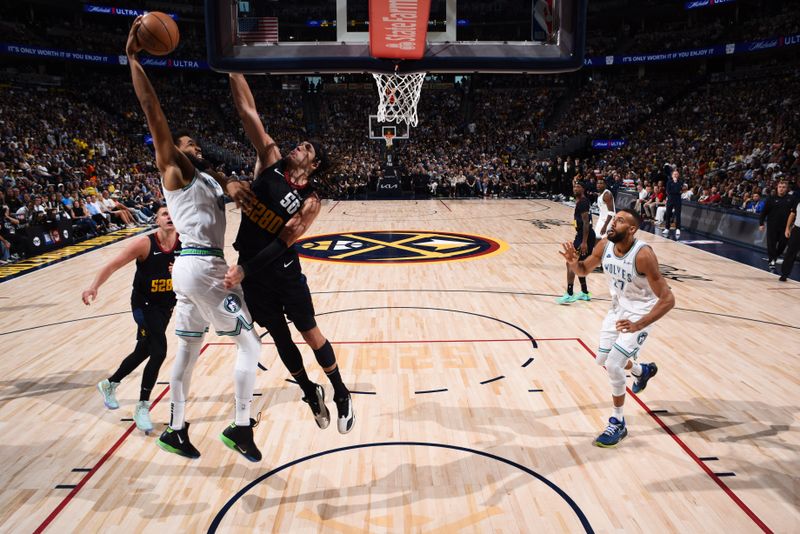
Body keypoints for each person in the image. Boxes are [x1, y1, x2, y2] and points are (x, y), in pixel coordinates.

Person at [125, 18, 263, 461]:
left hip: (190, 266)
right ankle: (241, 426)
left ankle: (176, 428)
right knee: (250, 343)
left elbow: (237, 190)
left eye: (196, 144)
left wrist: (236, 186)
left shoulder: (204, 175)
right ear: (173, 150)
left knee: (187, 346)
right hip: (204, 266)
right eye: (186, 142)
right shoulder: (174, 168)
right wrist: (132, 59)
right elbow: (152, 111)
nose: (193, 145)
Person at [224, 73, 355, 434]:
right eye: (301, 144)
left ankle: (341, 393)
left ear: (313, 166)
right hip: (252, 273)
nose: (299, 146)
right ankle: (310, 392)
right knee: (281, 340)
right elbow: (248, 110)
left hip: (280, 271)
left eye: (308, 149)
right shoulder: (270, 159)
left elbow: (282, 242)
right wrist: (232, 70)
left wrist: (244, 271)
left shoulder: (311, 201)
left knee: (310, 333)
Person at [559, 208, 675, 447]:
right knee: (602, 360)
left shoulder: (643, 255)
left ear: (631, 229)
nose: (612, 224)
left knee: (613, 364)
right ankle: (641, 371)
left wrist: (638, 325)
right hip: (617, 311)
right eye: (613, 219)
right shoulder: (604, 246)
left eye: (619, 221)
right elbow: (583, 270)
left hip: (641, 314)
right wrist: (573, 263)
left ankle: (618, 422)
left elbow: (668, 299)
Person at [82, 205, 179, 433]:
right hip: (144, 305)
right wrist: (93, 287)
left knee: (145, 349)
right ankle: (142, 406)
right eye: (165, 213)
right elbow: (113, 265)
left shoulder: (185, 244)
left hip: (166, 306)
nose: (170, 217)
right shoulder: (145, 244)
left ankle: (110, 383)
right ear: (156, 220)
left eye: (173, 213)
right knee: (159, 351)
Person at [557, 180, 594, 304]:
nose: (575, 188)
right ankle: (584, 292)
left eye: (578, 186)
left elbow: (586, 223)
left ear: (583, 189)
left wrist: (584, 242)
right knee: (577, 264)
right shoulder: (581, 201)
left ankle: (570, 294)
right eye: (574, 186)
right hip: (581, 235)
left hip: (584, 236)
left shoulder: (583, 202)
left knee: (571, 263)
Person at [759, 180, 795, 271]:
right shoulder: (771, 198)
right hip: (772, 226)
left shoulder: (791, 199)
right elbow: (764, 212)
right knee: (771, 245)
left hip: (785, 227)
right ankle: (772, 261)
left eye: (783, 187)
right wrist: (761, 223)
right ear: (777, 188)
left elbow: (794, 212)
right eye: (780, 187)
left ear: (787, 189)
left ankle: (774, 257)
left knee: (783, 245)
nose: (781, 189)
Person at [779, 194, 800, 282]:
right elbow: (792, 214)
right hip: (797, 229)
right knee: (790, 252)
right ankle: (784, 274)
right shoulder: (798, 201)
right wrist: (787, 228)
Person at [663, 169, 683, 238]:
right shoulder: (669, 182)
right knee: (668, 214)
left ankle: (678, 229)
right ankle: (667, 228)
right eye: (674, 174)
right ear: (672, 175)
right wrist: (676, 190)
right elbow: (668, 191)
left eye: (676, 174)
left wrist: (675, 184)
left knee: (678, 215)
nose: (675, 175)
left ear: (678, 175)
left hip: (678, 200)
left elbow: (679, 191)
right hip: (670, 200)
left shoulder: (680, 182)